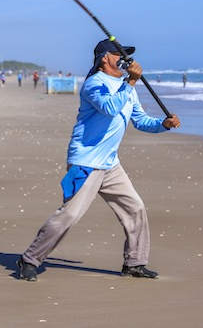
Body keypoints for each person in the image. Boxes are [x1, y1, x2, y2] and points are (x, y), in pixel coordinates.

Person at [17, 39, 181, 282]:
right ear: (105, 58)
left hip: (110, 163)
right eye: (119, 54)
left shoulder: (128, 88)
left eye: (126, 55)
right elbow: (109, 107)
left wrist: (163, 125)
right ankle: (29, 260)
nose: (125, 59)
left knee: (134, 208)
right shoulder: (95, 83)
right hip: (86, 161)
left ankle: (134, 263)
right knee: (70, 215)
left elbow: (141, 120)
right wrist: (131, 82)